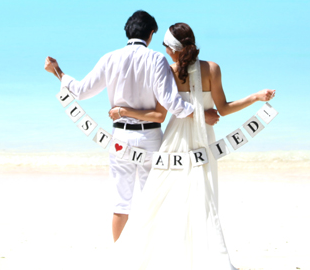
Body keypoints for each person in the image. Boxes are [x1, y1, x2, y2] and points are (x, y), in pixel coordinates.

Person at [109, 22, 275, 270]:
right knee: (202, 196)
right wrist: (254, 97)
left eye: (166, 47)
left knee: (161, 197)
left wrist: (124, 110)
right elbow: (224, 109)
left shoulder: (168, 71)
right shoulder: (212, 69)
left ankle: (158, 256)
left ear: (174, 49)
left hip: (175, 140)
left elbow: (162, 112)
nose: (165, 52)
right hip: (203, 138)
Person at [43, 10, 220, 242]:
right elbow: (171, 103)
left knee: (120, 205)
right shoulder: (157, 59)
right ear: (151, 33)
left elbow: (81, 91)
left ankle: (119, 257)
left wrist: (57, 71)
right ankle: (147, 257)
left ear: (127, 31)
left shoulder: (109, 58)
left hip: (120, 138)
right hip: (150, 138)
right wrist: (201, 115)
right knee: (151, 202)